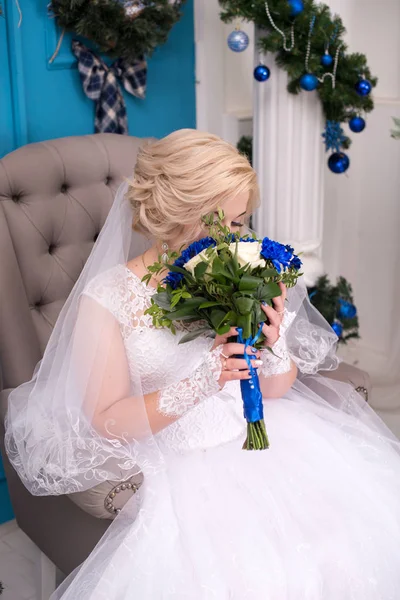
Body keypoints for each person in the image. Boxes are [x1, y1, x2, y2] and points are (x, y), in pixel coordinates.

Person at [5, 130, 400, 599]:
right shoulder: (111, 298)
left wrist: (272, 344)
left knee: (345, 537)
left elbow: (274, 390)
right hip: (182, 462)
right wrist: (201, 381)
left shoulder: (237, 267)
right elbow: (106, 419)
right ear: (181, 213)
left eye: (243, 221)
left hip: (268, 437)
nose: (241, 237)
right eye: (231, 223)